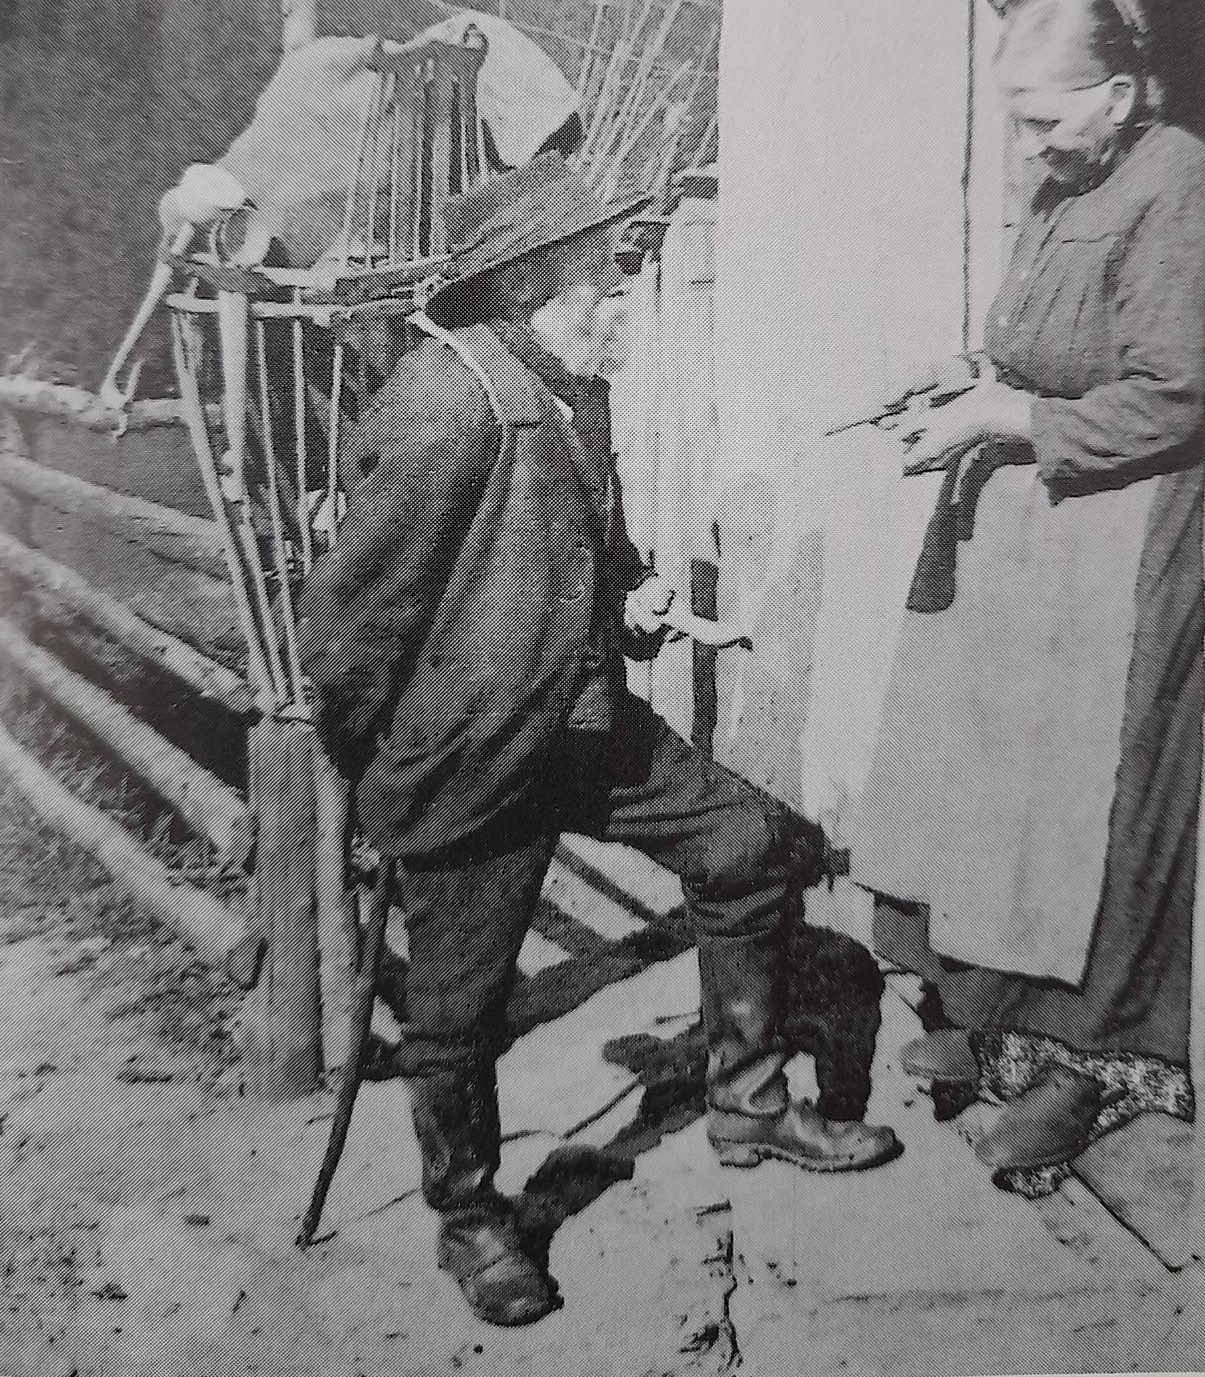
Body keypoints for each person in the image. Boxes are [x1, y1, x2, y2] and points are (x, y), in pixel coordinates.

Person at [297, 153, 898, 1329]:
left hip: (578, 724)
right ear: (531, 287)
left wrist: (635, 597)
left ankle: (747, 1103)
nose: (620, 294)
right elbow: (348, 626)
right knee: (458, 1010)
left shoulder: (570, 385)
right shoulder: (445, 407)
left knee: (746, 842)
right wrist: (382, 760)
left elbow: (585, 548)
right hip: (474, 751)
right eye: (599, 276)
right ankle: (472, 1218)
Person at [851, 0, 1205, 1196]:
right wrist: (958, 374)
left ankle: (1093, 1063)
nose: (1030, 144)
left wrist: (1008, 418)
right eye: (1018, 120)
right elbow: (1036, 346)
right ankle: (1002, 1030)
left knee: (1089, 808)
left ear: (1121, 94)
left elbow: (1173, 396)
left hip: (1122, 540)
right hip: (1036, 540)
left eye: (1047, 119)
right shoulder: (1063, 185)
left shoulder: (1176, 182)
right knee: (999, 791)